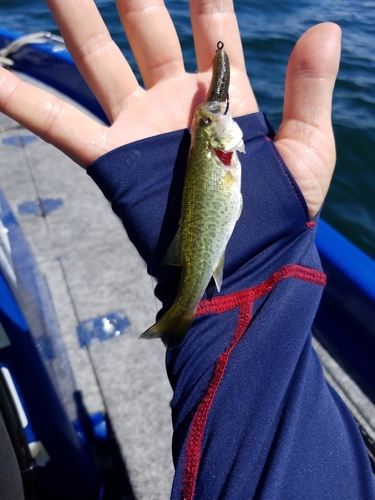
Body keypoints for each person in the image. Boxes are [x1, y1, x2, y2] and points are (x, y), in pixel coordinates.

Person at [0, 1, 374, 499]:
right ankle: (185, 308)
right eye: (209, 118)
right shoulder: (220, 144)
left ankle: (185, 309)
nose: (214, 115)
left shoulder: (219, 145)